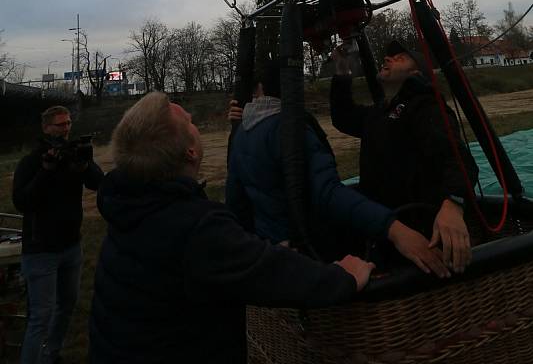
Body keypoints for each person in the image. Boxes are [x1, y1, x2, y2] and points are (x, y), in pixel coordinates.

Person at [89, 92, 376, 364]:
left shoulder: (131, 209)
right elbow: (271, 274)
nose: (194, 122)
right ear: (190, 152)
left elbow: (210, 265)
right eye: (190, 122)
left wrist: (252, 253)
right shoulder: (194, 225)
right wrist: (343, 277)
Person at [226, 63, 449, 277]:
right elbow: (328, 192)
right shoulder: (289, 130)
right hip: (308, 247)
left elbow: (237, 202)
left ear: (260, 89)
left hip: (276, 245)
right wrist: (394, 229)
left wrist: (253, 251)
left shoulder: (243, 132)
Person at [329, 40, 479, 273]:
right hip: (385, 228)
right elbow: (343, 117)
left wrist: (453, 204)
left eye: (399, 58)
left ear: (415, 72)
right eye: (389, 57)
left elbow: (456, 156)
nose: (388, 59)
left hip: (418, 229)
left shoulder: (424, 106)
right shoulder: (380, 112)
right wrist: (342, 71)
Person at [12, 105, 104, 364]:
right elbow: (22, 201)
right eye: (59, 125)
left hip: (71, 246)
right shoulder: (31, 161)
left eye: (68, 124)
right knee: (40, 317)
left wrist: (85, 161)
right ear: (45, 128)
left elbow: (98, 183)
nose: (65, 129)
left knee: (66, 306)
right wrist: (46, 171)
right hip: (41, 251)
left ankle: (51, 354)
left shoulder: (72, 155)